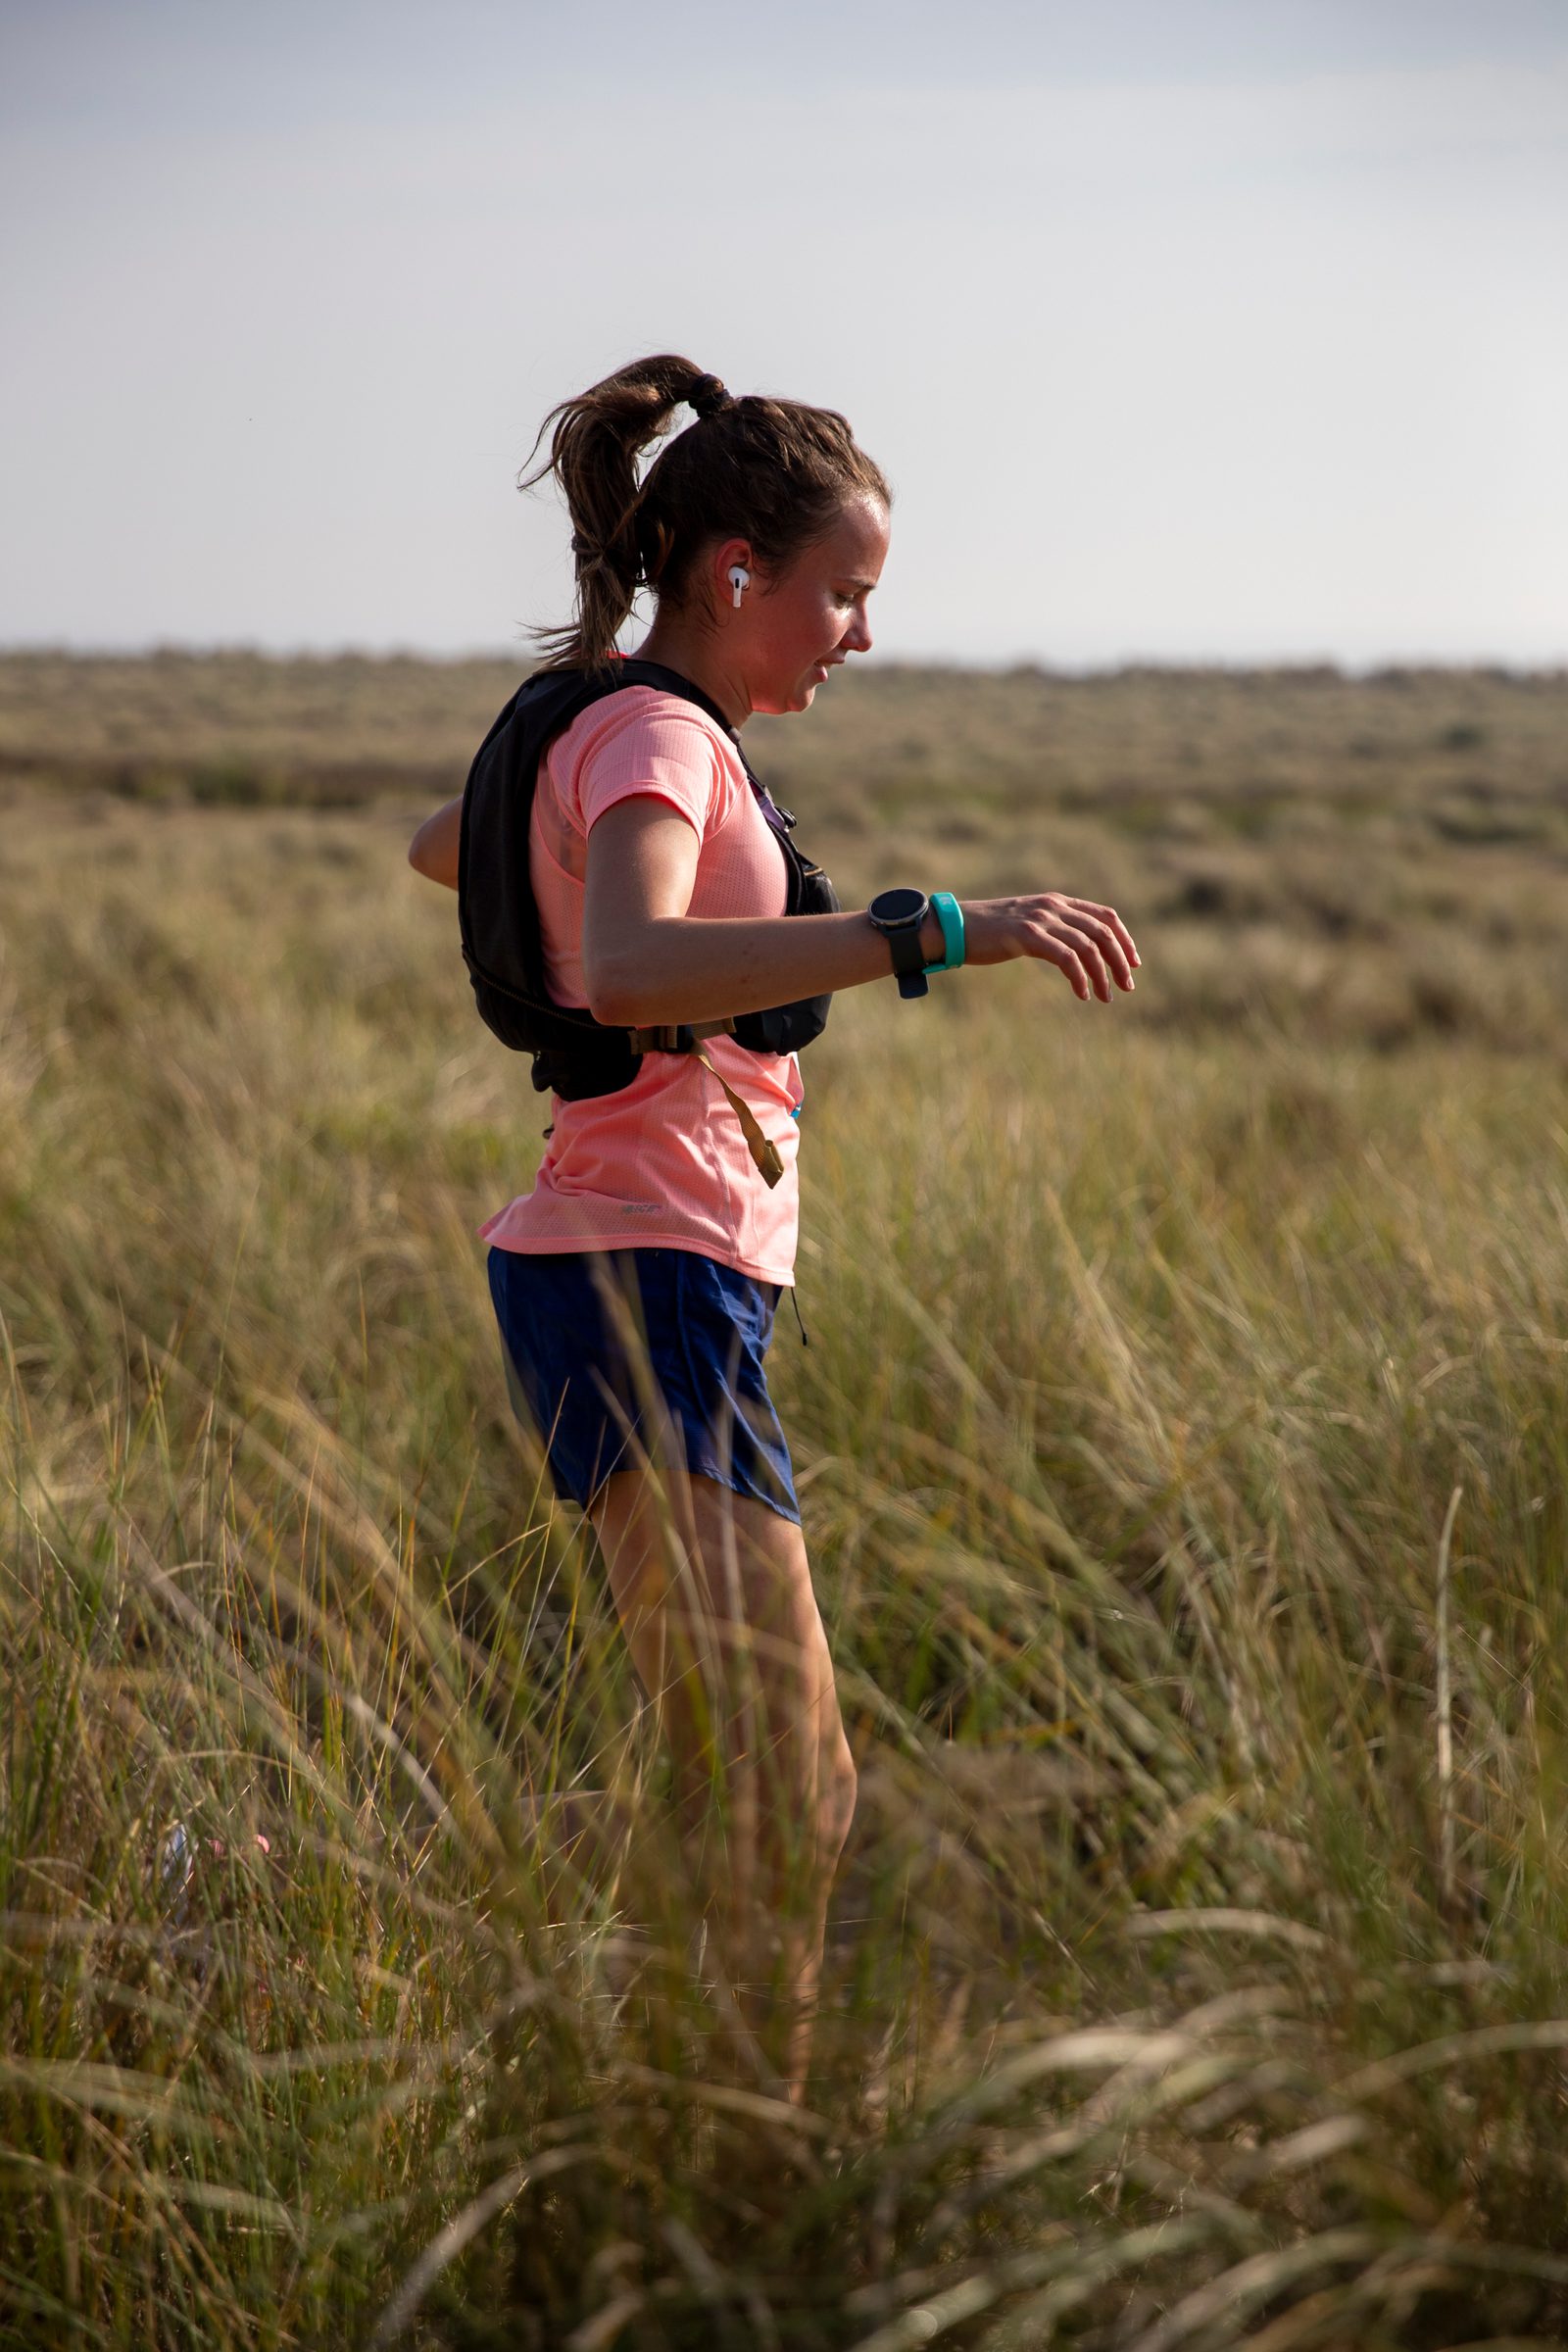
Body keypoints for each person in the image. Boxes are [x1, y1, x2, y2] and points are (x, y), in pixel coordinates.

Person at [407, 354, 1139, 2100]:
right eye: (845, 595)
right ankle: (735, 2155)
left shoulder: (629, 728)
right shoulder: (660, 733)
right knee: (785, 1783)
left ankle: (667, 2113)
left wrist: (577, 744)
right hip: (645, 1269)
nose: (858, 638)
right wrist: (934, 931)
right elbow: (642, 964)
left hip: (638, 1269)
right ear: (739, 576)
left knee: (745, 1769)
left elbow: (453, 844)